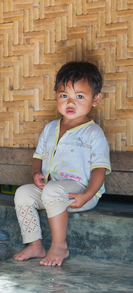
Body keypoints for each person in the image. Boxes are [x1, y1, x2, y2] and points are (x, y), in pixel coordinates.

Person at [13, 61, 111, 266]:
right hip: (53, 192)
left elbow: (100, 170)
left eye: (80, 96)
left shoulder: (94, 133)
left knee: (52, 191)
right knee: (22, 192)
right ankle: (35, 244)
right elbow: (38, 158)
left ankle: (59, 246)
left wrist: (87, 195)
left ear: (96, 99)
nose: (70, 103)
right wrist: (36, 174)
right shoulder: (50, 128)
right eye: (64, 95)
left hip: (80, 193)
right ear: (56, 94)